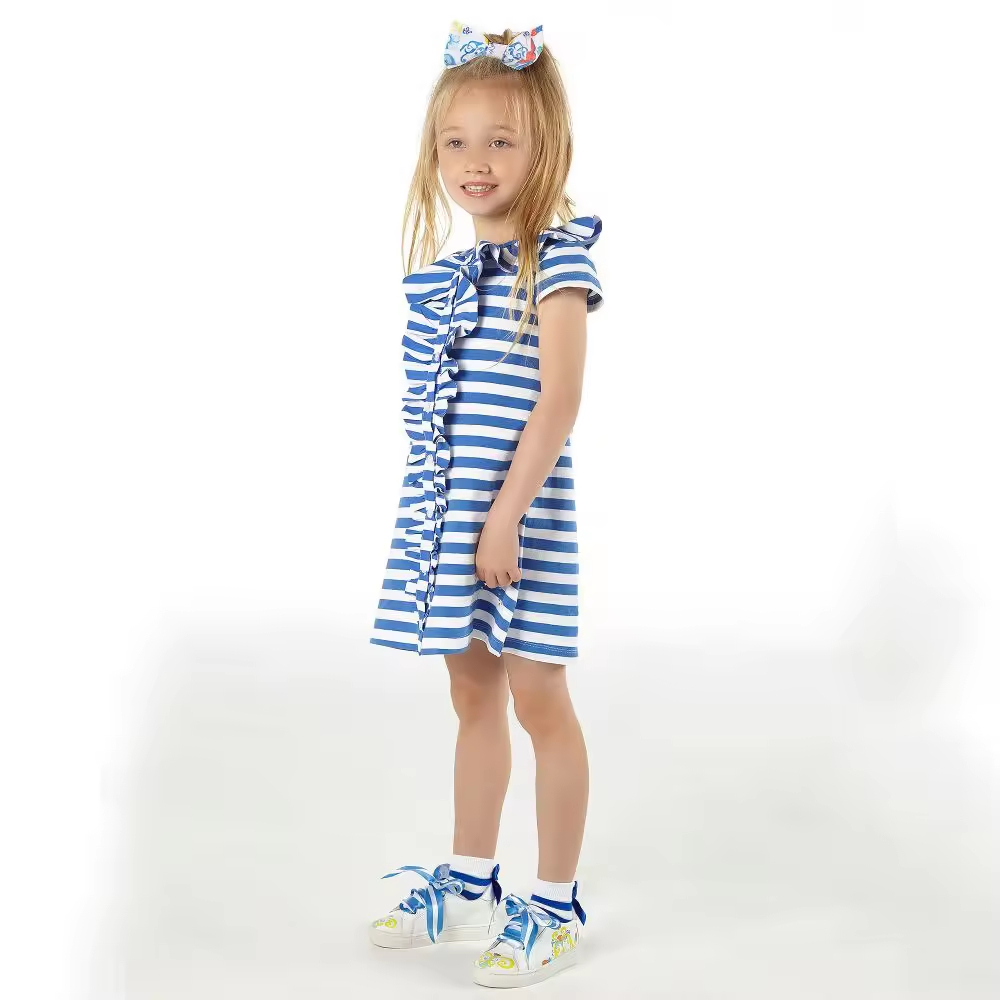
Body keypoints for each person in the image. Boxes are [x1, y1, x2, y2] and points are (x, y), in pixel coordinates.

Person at [368, 21, 604, 989]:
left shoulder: (558, 262)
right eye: (456, 141)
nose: (475, 161)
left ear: (544, 147)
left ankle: (556, 904)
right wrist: (452, 523)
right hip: (453, 521)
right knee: (471, 696)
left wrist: (505, 514)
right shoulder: (447, 279)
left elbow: (559, 401)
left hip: (522, 523)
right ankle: (470, 885)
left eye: (501, 140)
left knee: (539, 698)